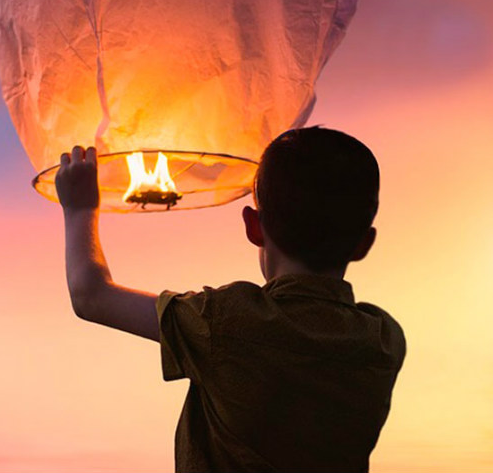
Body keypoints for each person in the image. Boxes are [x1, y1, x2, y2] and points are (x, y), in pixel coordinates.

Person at [56, 126, 406, 473]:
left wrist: (79, 208)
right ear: (364, 243)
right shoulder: (383, 340)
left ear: (254, 226)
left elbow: (90, 296)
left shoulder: (226, 321)